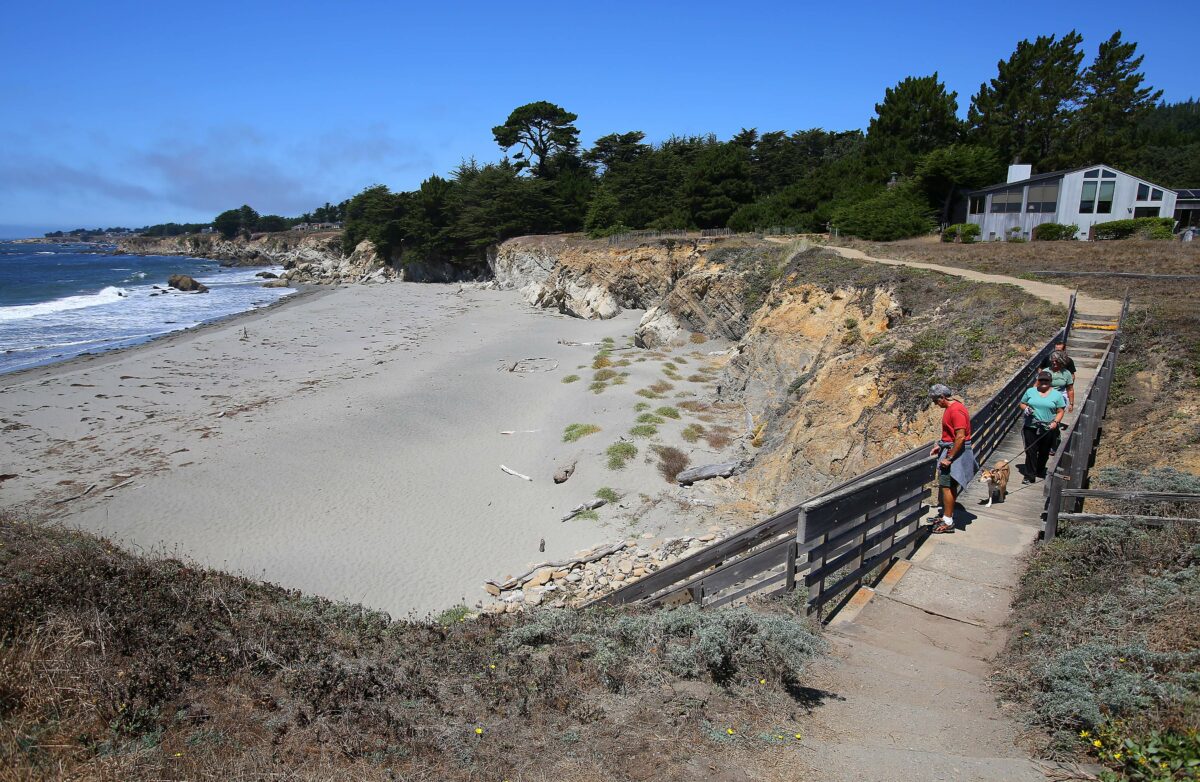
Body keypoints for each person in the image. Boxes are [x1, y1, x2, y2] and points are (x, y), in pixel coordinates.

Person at [928, 384, 977, 534]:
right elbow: (953, 435)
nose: (935, 404)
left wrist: (949, 457)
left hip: (954, 454)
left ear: (943, 397)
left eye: (936, 400)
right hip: (951, 448)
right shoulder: (954, 407)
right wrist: (941, 445)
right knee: (950, 485)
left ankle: (948, 521)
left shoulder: (955, 410)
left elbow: (960, 436)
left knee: (947, 485)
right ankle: (946, 516)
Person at [1018, 370, 1066, 483]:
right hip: (1031, 426)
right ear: (1038, 381)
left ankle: (1039, 469)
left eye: (1046, 380)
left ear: (1050, 381)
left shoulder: (1057, 395)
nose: (1044, 382)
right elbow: (1022, 403)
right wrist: (1026, 408)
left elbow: (1060, 411)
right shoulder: (1030, 391)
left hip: (1048, 427)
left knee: (1044, 451)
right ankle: (1029, 475)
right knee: (1030, 451)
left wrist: (1055, 422)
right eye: (1041, 380)